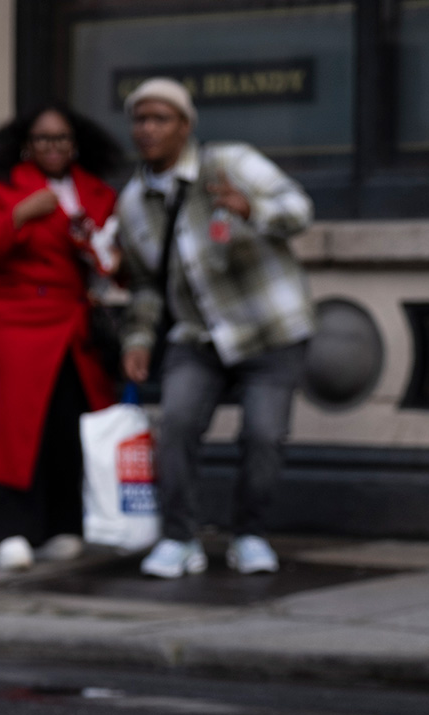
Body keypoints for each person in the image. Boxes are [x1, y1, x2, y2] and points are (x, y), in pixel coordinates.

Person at [116, 79, 314, 578]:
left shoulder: (232, 163)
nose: (148, 129)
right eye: (140, 119)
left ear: (185, 126)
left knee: (264, 435)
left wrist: (254, 209)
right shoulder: (133, 203)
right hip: (197, 337)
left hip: (267, 328)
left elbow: (299, 210)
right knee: (177, 426)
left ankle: (249, 535)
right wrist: (138, 339)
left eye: (161, 118)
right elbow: (145, 285)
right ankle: (180, 538)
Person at [0, 104, 122, 570]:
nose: (54, 148)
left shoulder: (97, 193)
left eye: (63, 139)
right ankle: (10, 531)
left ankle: (64, 526)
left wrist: (87, 239)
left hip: (71, 326)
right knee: (12, 429)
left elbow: (115, 262)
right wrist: (20, 215)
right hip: (11, 323)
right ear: (26, 144)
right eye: (44, 139)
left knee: (67, 424)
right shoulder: (0, 190)